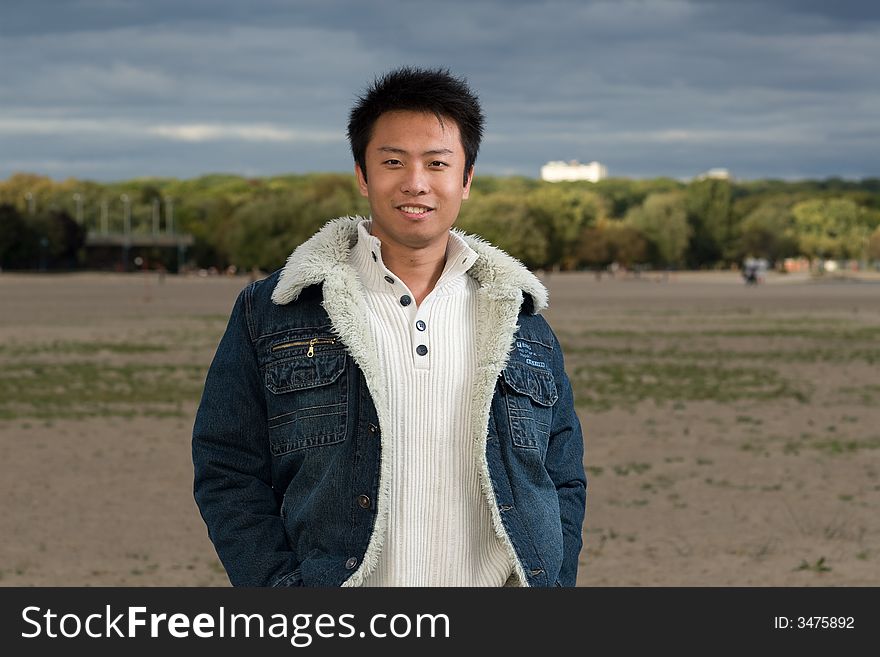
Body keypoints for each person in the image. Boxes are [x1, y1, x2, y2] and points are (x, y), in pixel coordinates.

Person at [192, 67, 586, 587]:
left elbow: (562, 479)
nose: (415, 183)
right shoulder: (273, 311)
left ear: (465, 180)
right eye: (393, 162)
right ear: (362, 175)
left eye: (437, 164)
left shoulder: (521, 318)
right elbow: (227, 467)